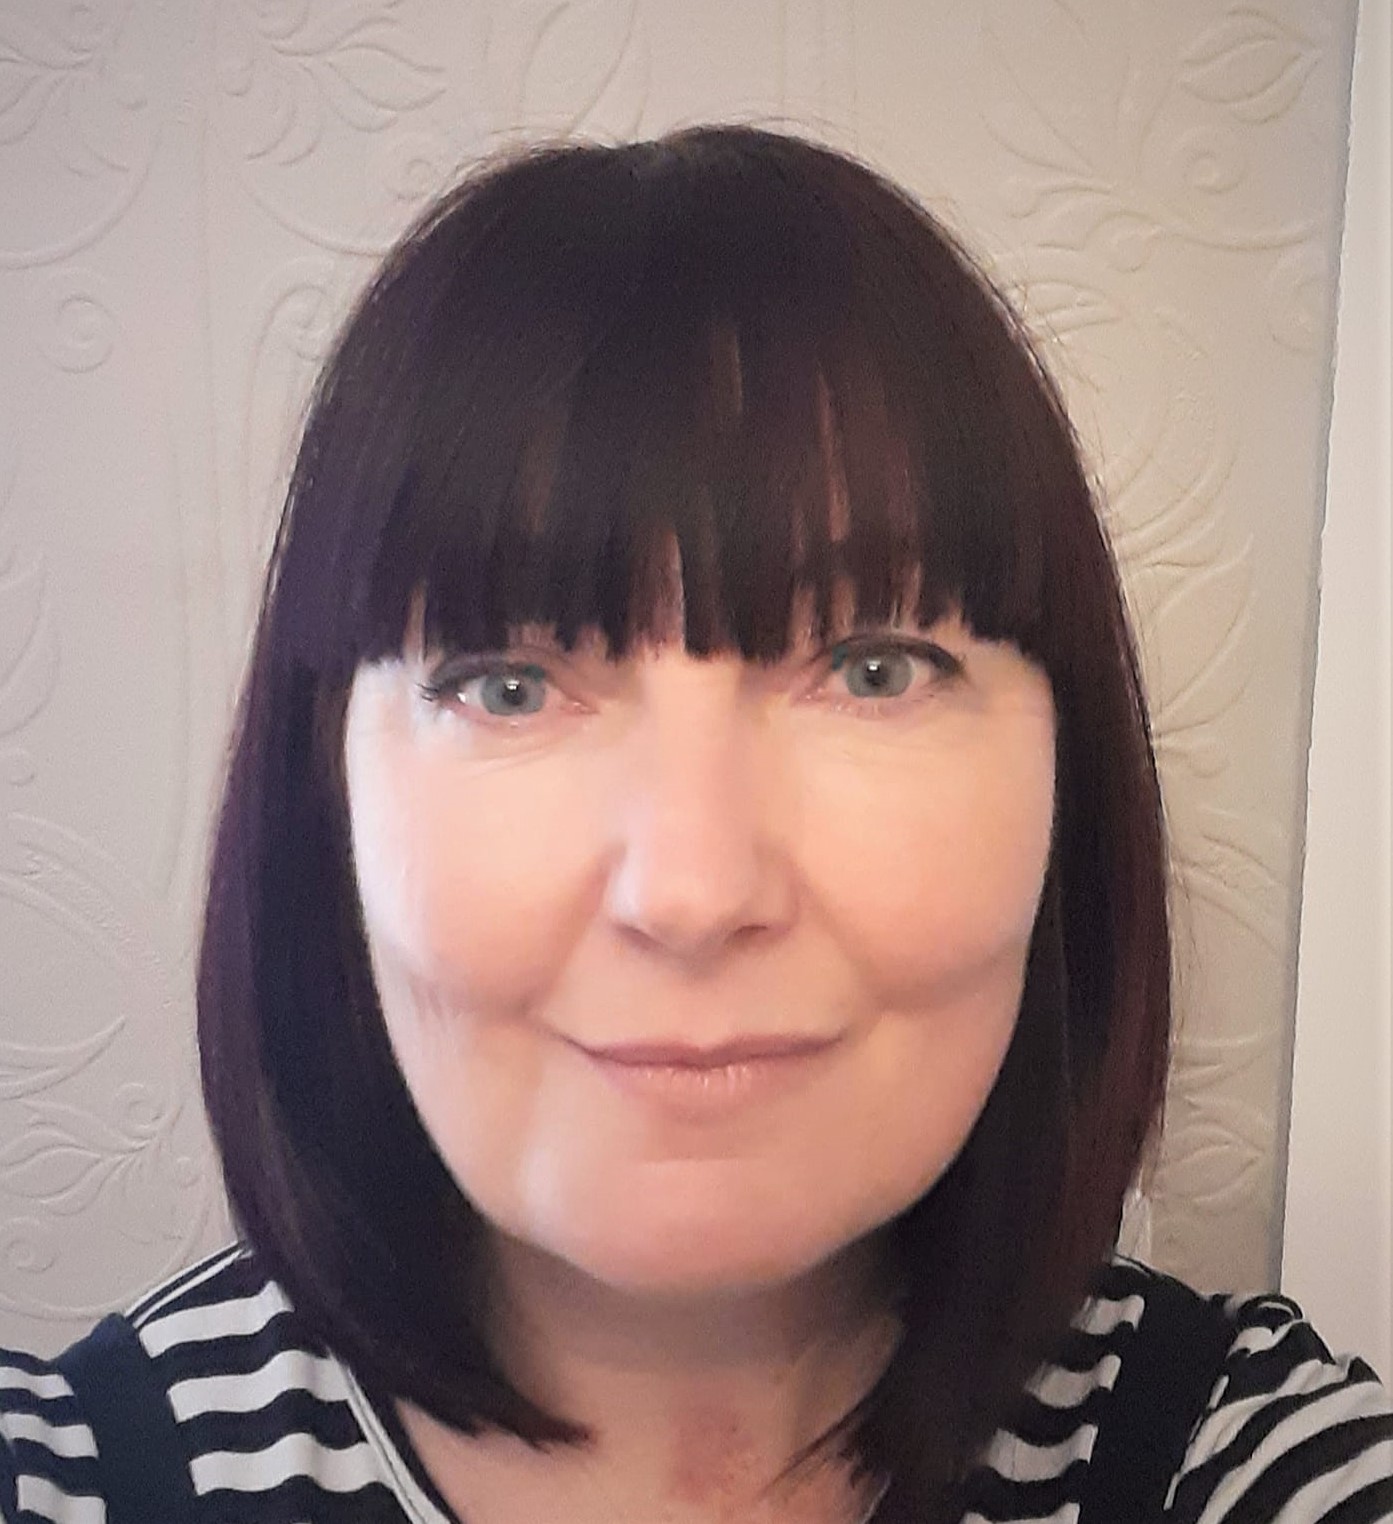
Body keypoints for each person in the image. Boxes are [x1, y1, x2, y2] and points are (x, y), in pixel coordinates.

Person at [1, 125, 1388, 1524]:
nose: (692, 891)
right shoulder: (76, 1474)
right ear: (328, 803)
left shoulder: (1246, 1461)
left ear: (1065, 785)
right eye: (508, 684)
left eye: (874, 668)